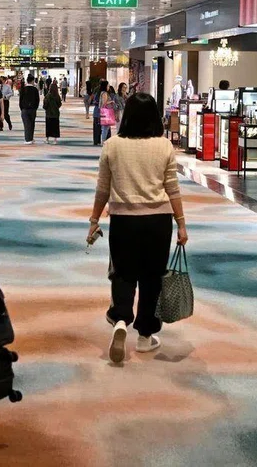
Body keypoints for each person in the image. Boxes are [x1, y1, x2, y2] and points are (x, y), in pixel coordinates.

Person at [87, 92, 188, 364]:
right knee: (152, 277)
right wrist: (181, 224)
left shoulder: (112, 145)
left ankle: (120, 319)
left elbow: (102, 189)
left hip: (123, 220)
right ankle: (145, 336)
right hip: (158, 221)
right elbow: (172, 189)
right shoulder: (164, 146)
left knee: (123, 272)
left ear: (127, 116)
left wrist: (94, 221)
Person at [19, 75, 41, 145]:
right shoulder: (35, 89)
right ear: (32, 81)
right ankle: (29, 138)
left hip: (24, 109)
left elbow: (20, 100)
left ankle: (28, 139)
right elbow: (37, 100)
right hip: (32, 109)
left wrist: (22, 108)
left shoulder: (23, 89)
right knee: (32, 124)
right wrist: (35, 108)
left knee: (26, 124)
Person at [44, 80, 63, 144]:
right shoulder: (57, 96)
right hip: (55, 114)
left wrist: (46, 108)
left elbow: (45, 105)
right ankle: (55, 140)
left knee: (48, 126)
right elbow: (59, 104)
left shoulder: (47, 96)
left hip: (48, 114)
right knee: (55, 126)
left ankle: (47, 139)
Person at [92, 80, 108, 145]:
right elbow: (100, 102)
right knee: (105, 127)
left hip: (97, 112)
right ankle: (104, 140)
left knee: (97, 128)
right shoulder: (103, 93)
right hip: (101, 112)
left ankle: (97, 141)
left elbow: (94, 101)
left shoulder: (98, 92)